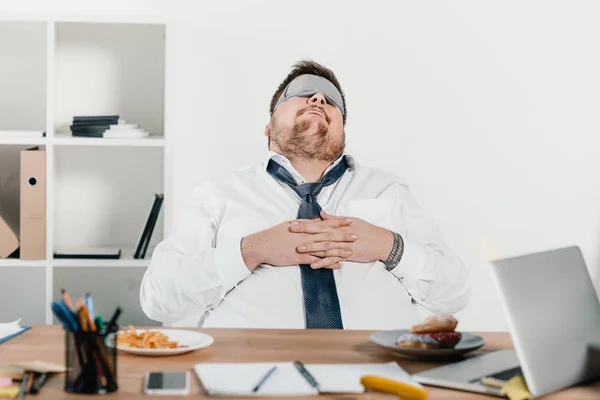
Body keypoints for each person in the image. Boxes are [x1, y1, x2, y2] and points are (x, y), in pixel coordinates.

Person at [140, 60, 470, 329]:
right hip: (248, 377)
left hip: (377, 378)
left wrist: (389, 246)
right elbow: (159, 300)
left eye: (331, 101)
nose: (318, 100)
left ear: (343, 132)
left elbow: (454, 293)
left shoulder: (390, 191)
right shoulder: (219, 194)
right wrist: (251, 251)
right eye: (301, 94)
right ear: (269, 126)